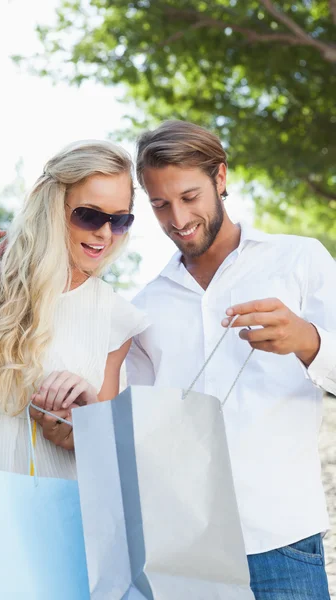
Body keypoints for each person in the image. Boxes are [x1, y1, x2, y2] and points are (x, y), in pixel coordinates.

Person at [126, 120, 336, 599]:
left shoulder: (299, 261)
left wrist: (308, 340)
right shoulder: (144, 307)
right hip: (182, 547)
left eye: (189, 196)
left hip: (281, 541)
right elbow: (136, 423)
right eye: (160, 204)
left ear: (221, 178)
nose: (177, 218)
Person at [0, 140, 148, 600]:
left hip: (41, 530)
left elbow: (105, 458)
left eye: (121, 220)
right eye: (90, 216)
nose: (104, 234)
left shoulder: (115, 316)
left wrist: (82, 415)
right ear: (53, 203)